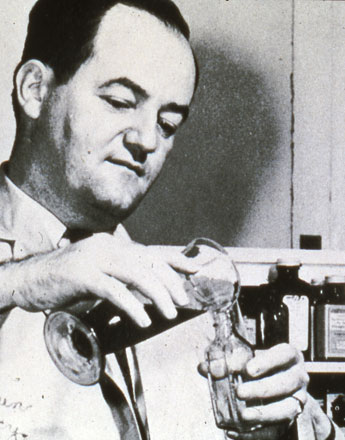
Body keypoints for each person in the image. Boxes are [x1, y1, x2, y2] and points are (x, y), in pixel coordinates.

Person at [0, 0, 341, 438]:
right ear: (35, 89)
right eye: (120, 101)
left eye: (167, 123)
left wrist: (285, 430)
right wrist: (25, 280)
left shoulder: (185, 311)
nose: (146, 140)